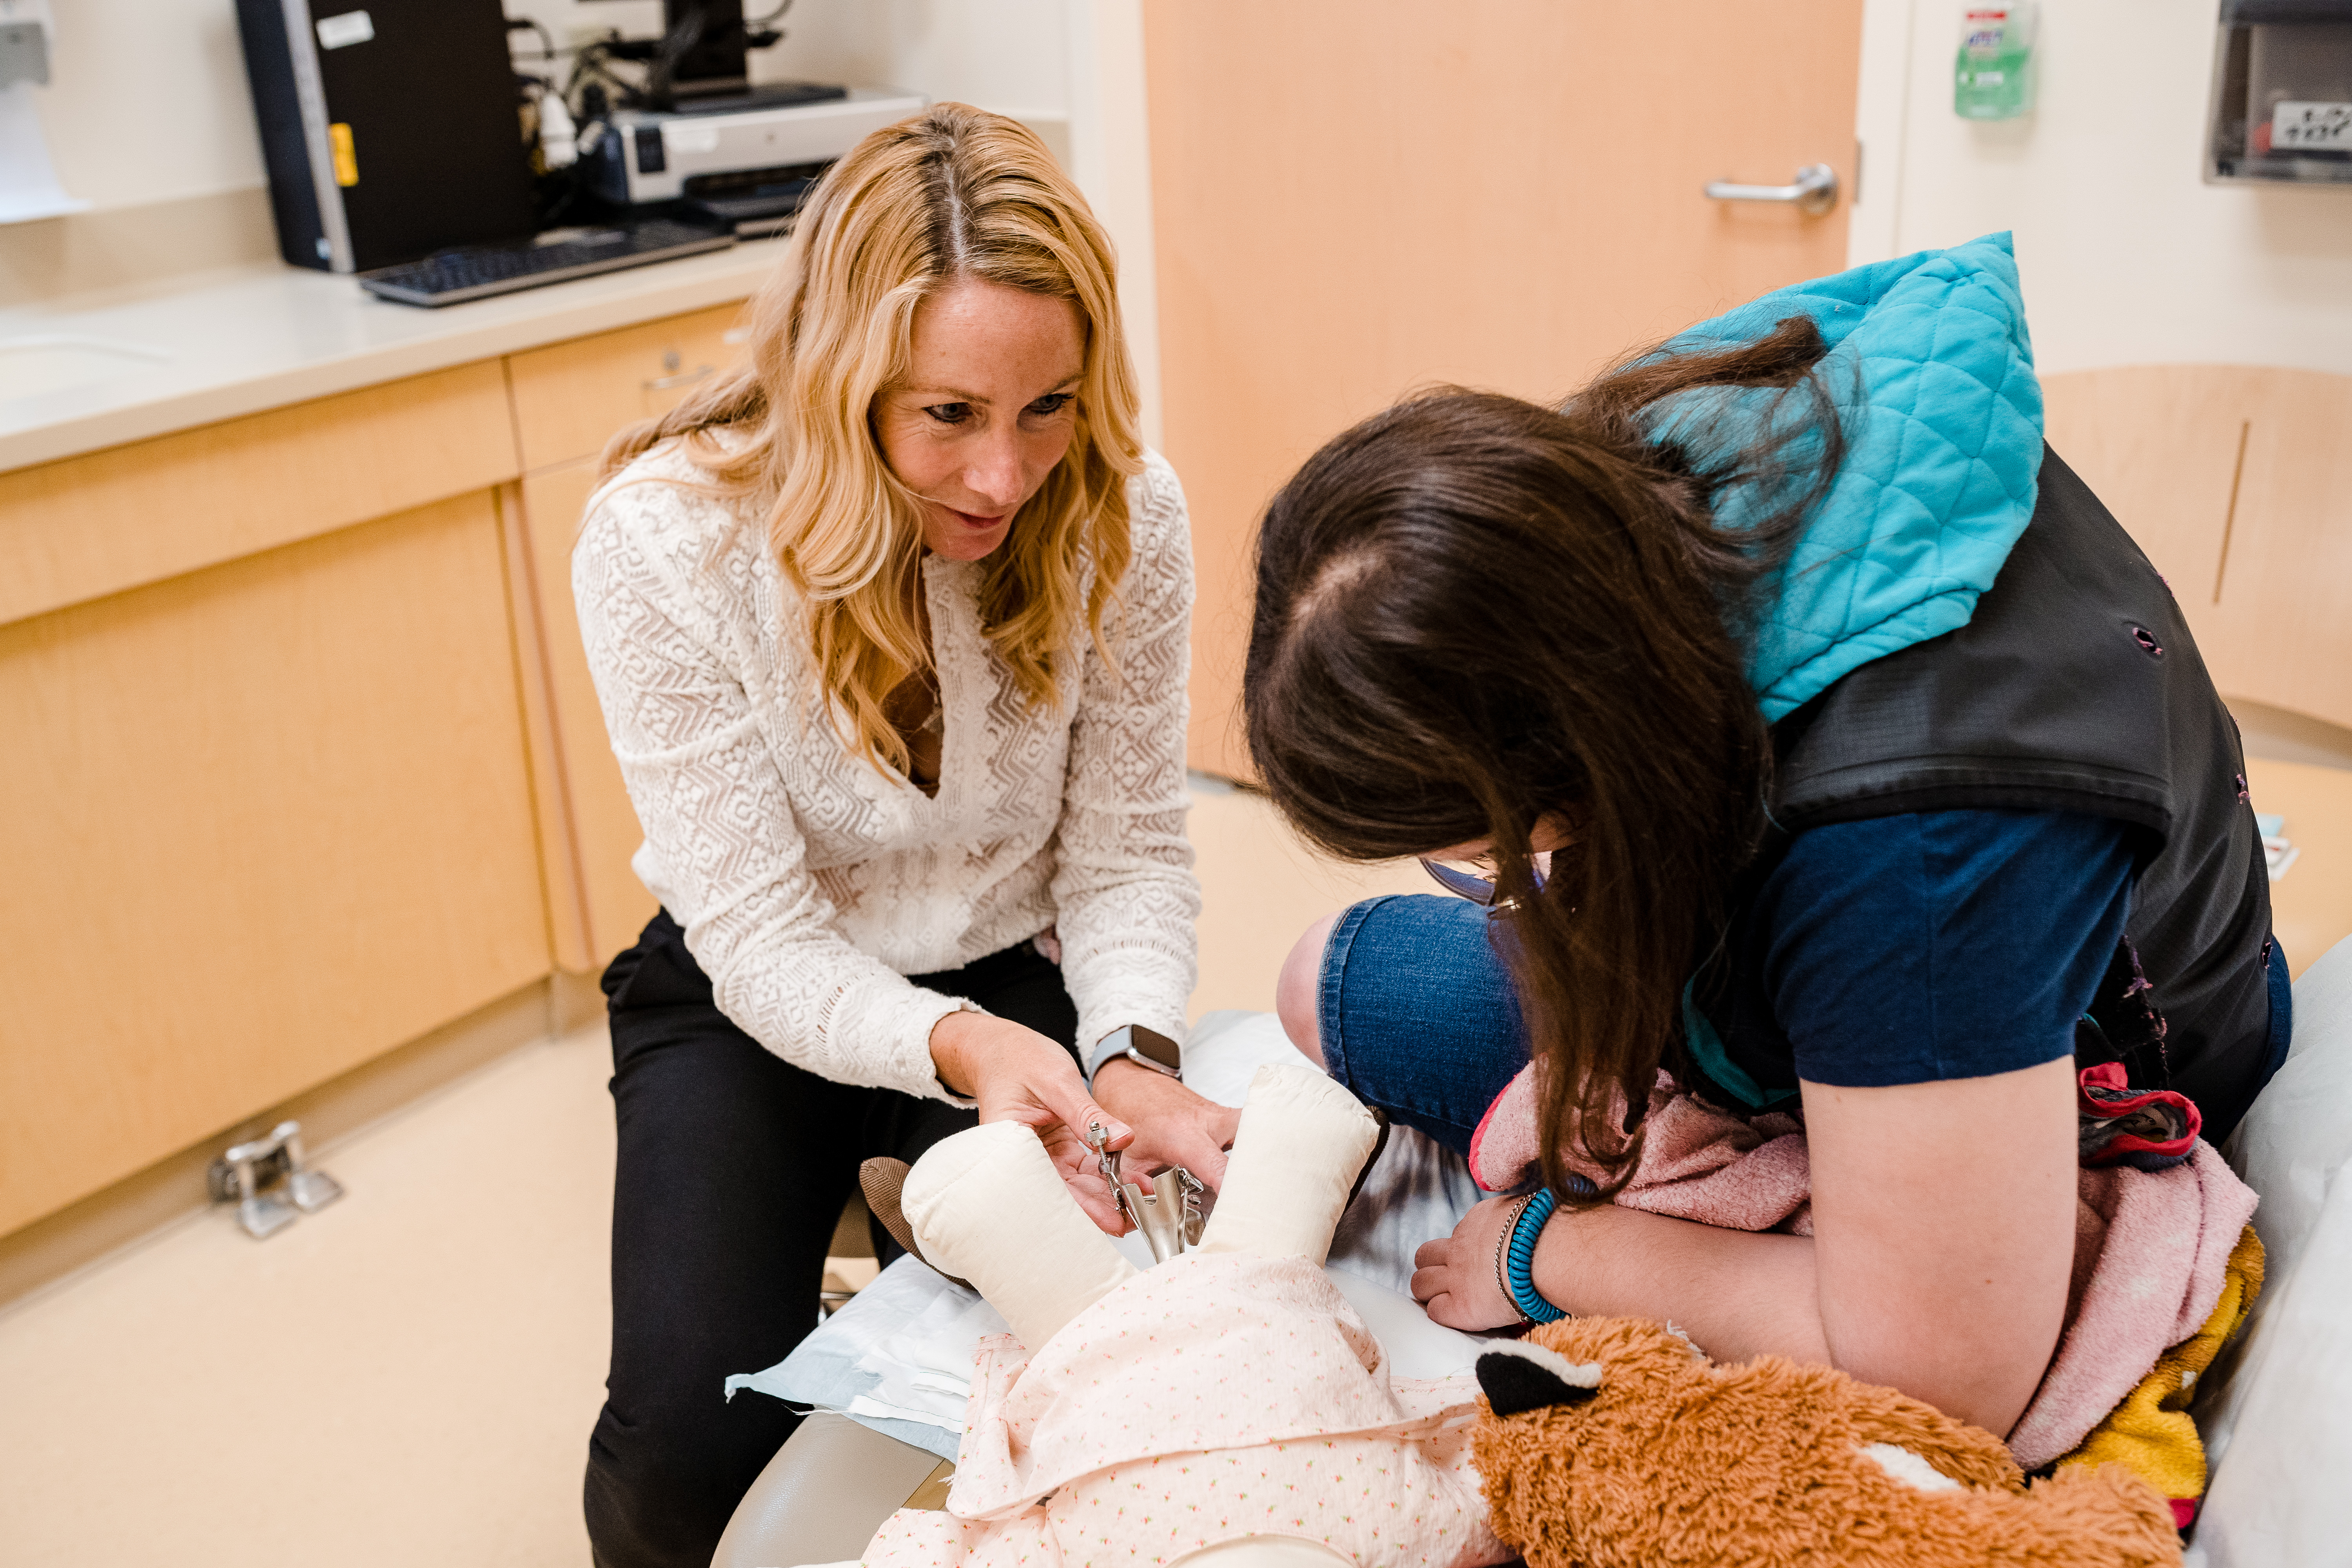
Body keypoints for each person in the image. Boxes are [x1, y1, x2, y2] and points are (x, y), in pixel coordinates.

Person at [1244, 236, 2293, 1442]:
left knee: (1375, 998)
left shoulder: (1915, 857)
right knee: (1325, 976)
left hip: (2088, 1082)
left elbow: (1940, 1382)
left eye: (1495, 852)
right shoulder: (1677, 445)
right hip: (1925, 947)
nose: (1509, 887)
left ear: (1584, 761)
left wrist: (1554, 1255)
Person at [569, 104, 1232, 1568]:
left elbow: (1124, 852)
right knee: (685, 1449)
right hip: (752, 990)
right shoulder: (667, 539)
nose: (1004, 477)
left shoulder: (1125, 516)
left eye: (1046, 407)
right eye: (948, 414)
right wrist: (959, 1051)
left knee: (1111, 1365)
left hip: (1017, 969)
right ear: (836, 380)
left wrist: (1126, 1049)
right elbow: (756, 937)